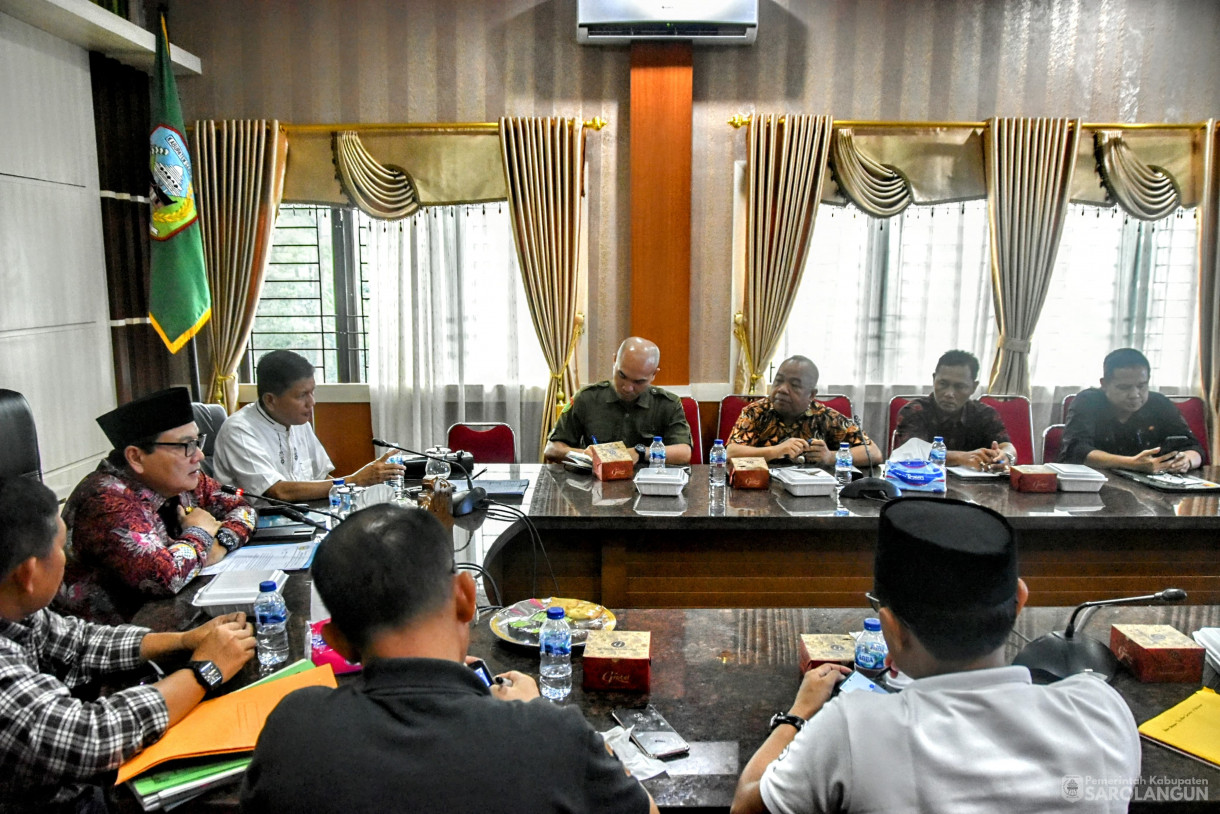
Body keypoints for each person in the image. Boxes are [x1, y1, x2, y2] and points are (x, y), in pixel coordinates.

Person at [731, 497, 1140, 814]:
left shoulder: (855, 728)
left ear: (890, 627)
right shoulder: (1101, 710)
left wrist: (798, 714)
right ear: (1019, 600)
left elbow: (747, 805)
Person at [240, 503, 658, 814]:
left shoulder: (291, 731)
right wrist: (535, 711)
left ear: (337, 641)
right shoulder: (551, 735)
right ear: (465, 597)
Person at [0, 475, 256, 813]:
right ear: (29, 574)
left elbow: (80, 640)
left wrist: (184, 640)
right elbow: (92, 736)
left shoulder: (16, 608)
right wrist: (204, 672)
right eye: (60, 549)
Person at [57, 388, 255, 625]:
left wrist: (220, 543)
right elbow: (164, 577)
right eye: (186, 446)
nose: (199, 455)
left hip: (174, 618)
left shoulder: (185, 479)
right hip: (119, 644)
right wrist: (200, 532)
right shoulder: (105, 499)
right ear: (136, 457)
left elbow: (243, 507)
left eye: (197, 442)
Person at [544, 337, 692, 465]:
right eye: (622, 375)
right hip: (595, 487)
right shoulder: (587, 398)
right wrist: (583, 455)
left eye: (638, 382)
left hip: (647, 487)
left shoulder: (667, 404)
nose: (627, 387)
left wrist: (640, 452)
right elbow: (552, 449)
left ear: (653, 374)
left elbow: (684, 453)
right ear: (614, 360)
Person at [1060, 347, 1203, 473]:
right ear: (1104, 384)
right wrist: (1132, 464)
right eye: (1124, 387)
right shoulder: (1087, 401)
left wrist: (1187, 460)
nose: (1135, 395)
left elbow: (1194, 447)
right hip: (1094, 485)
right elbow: (1076, 451)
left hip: (1150, 490)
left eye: (1141, 386)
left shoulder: (1159, 403)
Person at [726, 356, 880, 466]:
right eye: (778, 381)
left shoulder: (826, 417)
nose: (782, 389)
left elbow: (873, 452)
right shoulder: (755, 412)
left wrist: (830, 457)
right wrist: (776, 451)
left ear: (811, 395)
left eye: (794, 385)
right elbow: (730, 453)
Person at [892, 349, 1017, 471]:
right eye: (943, 384)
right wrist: (961, 457)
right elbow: (913, 452)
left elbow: (1007, 446)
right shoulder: (914, 411)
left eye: (959, 387)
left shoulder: (985, 414)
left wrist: (1005, 456)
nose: (949, 393)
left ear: (973, 387)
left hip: (976, 488)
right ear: (934, 379)